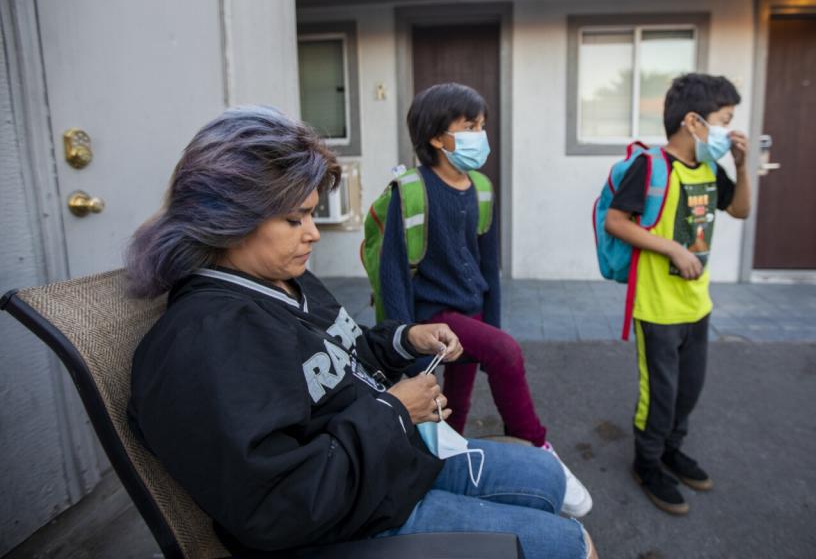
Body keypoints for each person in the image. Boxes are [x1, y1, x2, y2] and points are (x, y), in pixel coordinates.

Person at [125, 106, 597, 558]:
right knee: (575, 546)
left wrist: (406, 338)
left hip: (391, 465)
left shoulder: (285, 280)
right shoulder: (206, 341)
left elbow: (343, 354)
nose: (313, 233)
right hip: (351, 525)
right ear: (228, 219)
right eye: (294, 219)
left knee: (548, 479)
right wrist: (394, 412)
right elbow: (278, 505)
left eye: (311, 214)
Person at [377, 83, 592, 517]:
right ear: (437, 137)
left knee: (458, 405)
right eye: (469, 126)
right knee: (503, 355)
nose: (481, 134)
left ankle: (448, 473)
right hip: (432, 316)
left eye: (482, 125)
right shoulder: (411, 190)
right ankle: (537, 445)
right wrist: (404, 346)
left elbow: (488, 262)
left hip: (471, 309)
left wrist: (493, 322)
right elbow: (394, 275)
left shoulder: (481, 187)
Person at [604, 74, 751, 516]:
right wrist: (671, 247)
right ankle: (646, 462)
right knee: (660, 395)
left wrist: (744, 167)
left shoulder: (710, 169)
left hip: (697, 305)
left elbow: (740, 209)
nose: (730, 130)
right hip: (658, 308)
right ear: (693, 121)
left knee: (689, 390)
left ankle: (671, 451)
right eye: (724, 121)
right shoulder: (650, 167)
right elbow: (617, 220)